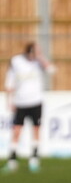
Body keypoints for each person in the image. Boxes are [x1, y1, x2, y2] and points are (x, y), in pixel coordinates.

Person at [4, 42, 55, 173]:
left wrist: (41, 57)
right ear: (28, 52)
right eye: (34, 52)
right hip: (20, 102)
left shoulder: (38, 62)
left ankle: (34, 159)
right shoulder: (16, 61)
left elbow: (51, 70)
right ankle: (12, 160)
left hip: (35, 102)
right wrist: (9, 101)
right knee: (16, 131)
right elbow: (9, 81)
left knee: (36, 130)